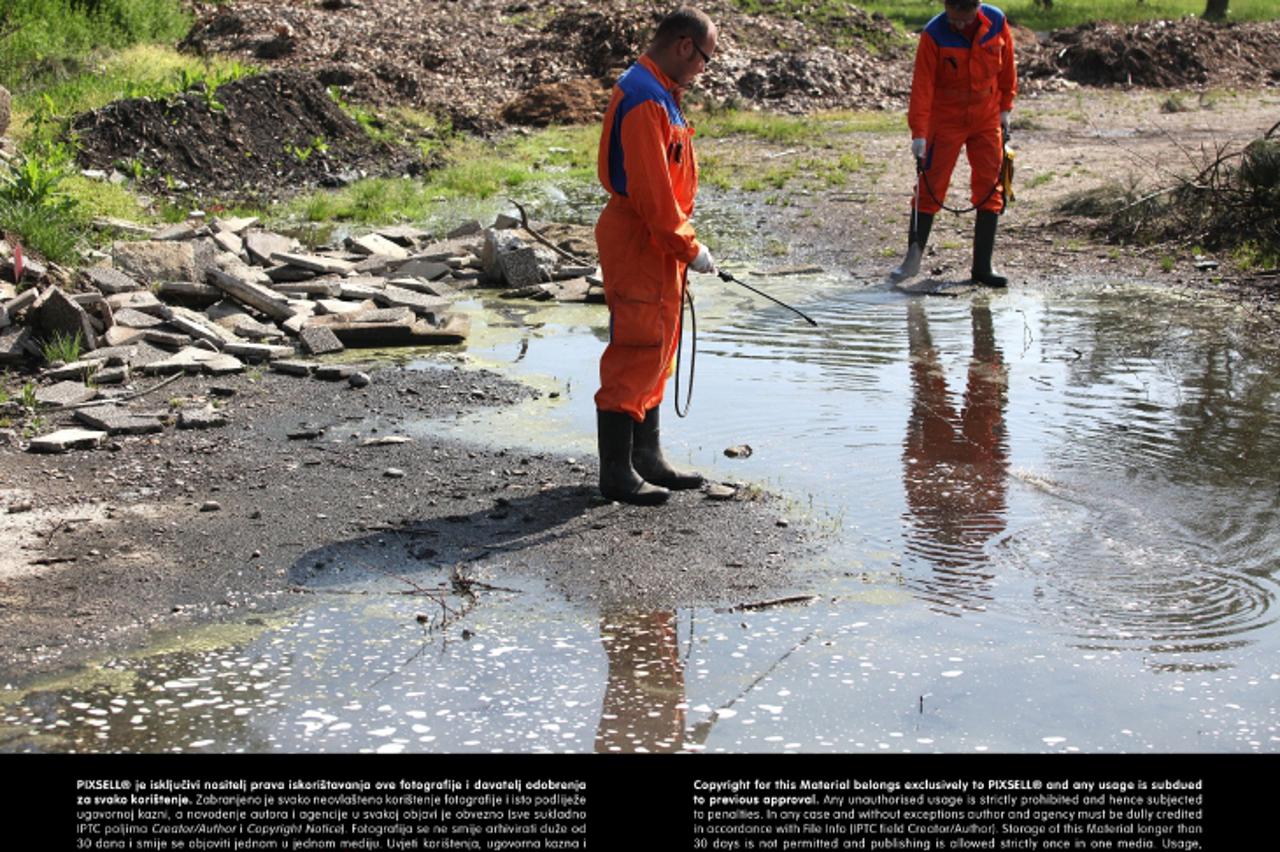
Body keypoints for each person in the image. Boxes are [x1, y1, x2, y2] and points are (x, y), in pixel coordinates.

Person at [593, 7, 717, 506]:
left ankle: (648, 457)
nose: (705, 69)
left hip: (655, 240)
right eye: (706, 58)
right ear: (685, 46)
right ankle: (616, 473)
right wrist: (690, 247)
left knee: (660, 342)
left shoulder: (661, 93)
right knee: (638, 345)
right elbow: (652, 195)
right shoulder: (645, 98)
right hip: (640, 237)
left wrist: (680, 245)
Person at [890, 0, 1017, 288]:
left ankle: (982, 268)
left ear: (977, 7)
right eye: (953, 19)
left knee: (991, 188)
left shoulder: (997, 22)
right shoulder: (933, 34)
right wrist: (919, 134)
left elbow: (1007, 66)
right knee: (930, 185)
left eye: (964, 20)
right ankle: (912, 259)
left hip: (986, 117)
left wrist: (1005, 107)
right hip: (945, 120)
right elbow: (922, 87)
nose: (958, 25)